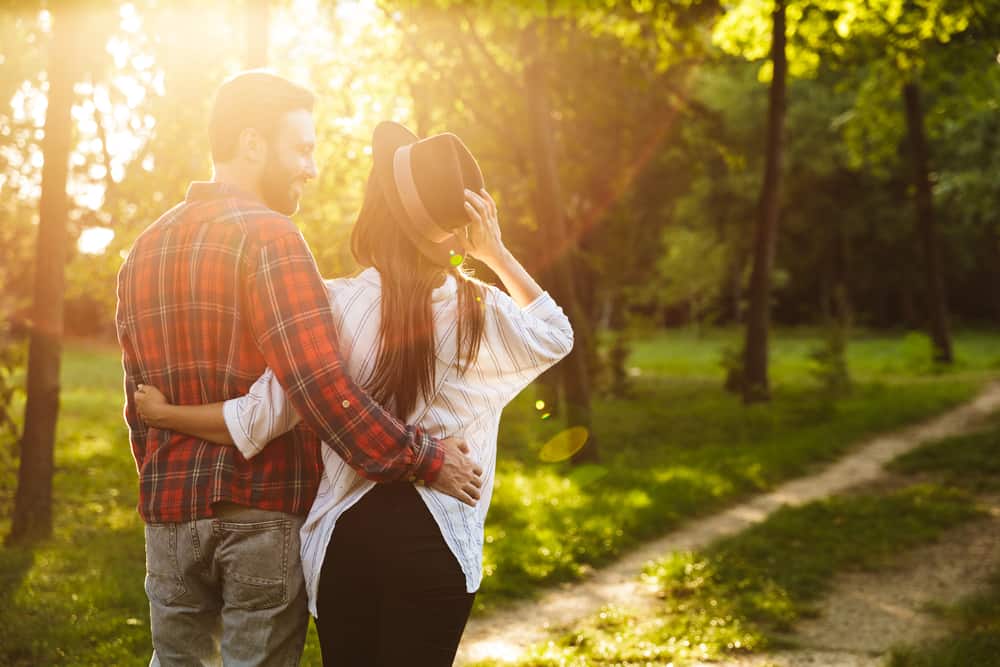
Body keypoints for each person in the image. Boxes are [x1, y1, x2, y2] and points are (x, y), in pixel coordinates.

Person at [133, 121, 574, 665]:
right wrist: (496, 252)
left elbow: (259, 416)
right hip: (439, 538)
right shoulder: (480, 311)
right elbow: (556, 334)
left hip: (345, 540)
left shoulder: (333, 305)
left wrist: (167, 414)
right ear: (454, 228)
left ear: (376, 215)